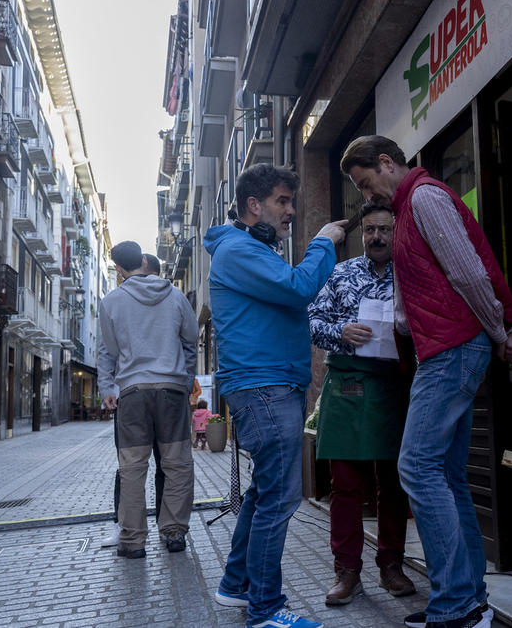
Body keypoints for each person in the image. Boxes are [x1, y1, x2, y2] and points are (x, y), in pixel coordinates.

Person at [341, 136, 512, 628]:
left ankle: (457, 606)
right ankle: (471, 602)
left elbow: (470, 273)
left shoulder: (424, 197)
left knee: (417, 467)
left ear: (387, 163)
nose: (367, 197)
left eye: (366, 183)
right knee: (445, 476)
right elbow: (431, 288)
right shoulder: (409, 208)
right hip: (447, 347)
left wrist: (499, 333)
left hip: (452, 349)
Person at [205, 162, 347, 628]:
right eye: (283, 202)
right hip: (265, 388)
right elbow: (301, 287)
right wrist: (324, 240)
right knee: (280, 500)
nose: (291, 211)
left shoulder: (246, 248)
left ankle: (236, 585)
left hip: (268, 385)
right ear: (254, 205)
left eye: (291, 201)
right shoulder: (239, 250)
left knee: (263, 493)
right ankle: (266, 610)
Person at [308, 202, 415, 606]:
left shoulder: (411, 272)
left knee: (393, 482)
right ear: (361, 234)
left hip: (395, 385)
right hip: (348, 383)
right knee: (346, 484)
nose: (376, 237)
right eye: (369, 230)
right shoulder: (339, 273)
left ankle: (392, 565)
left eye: (384, 229)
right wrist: (341, 330)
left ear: (396, 231)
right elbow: (313, 320)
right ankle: (347, 572)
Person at [98, 240, 198, 559]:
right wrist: (183, 381)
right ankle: (173, 532)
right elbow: (191, 342)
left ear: (118, 269)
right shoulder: (176, 295)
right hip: (171, 390)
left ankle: (132, 540)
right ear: (143, 260)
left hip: (132, 394)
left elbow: (108, 352)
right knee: (177, 464)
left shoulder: (111, 301)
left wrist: (106, 389)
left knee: (132, 467)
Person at [101, 252, 167, 548]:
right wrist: (106, 388)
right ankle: (124, 525)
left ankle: (169, 528)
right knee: (129, 466)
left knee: (168, 464)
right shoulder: (118, 302)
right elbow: (107, 350)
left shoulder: (169, 299)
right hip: (129, 393)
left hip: (164, 393)